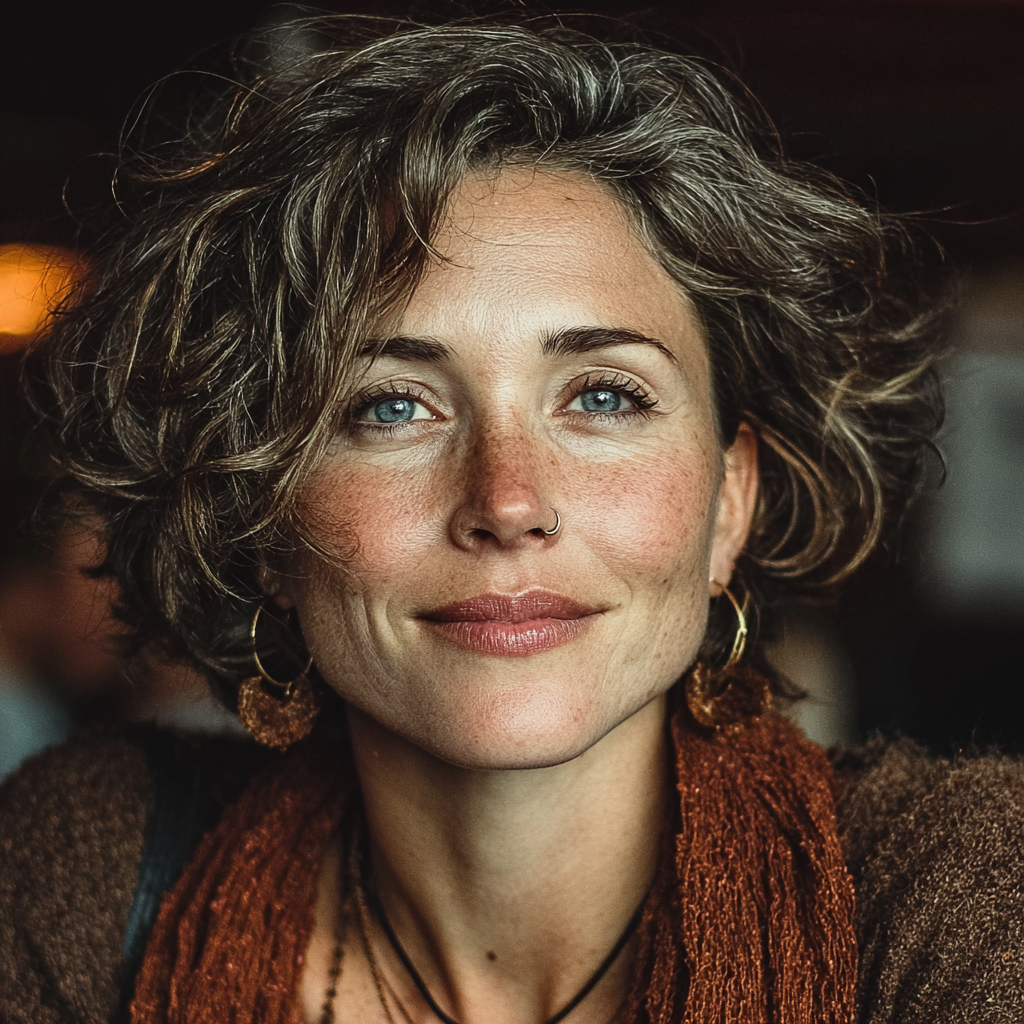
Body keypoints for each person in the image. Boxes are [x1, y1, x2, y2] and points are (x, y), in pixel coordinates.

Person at [2, 17, 1022, 1024]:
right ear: (263, 518)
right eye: (389, 406)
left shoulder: (965, 897)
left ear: (730, 503)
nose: (507, 501)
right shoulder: (84, 876)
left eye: (603, 395)